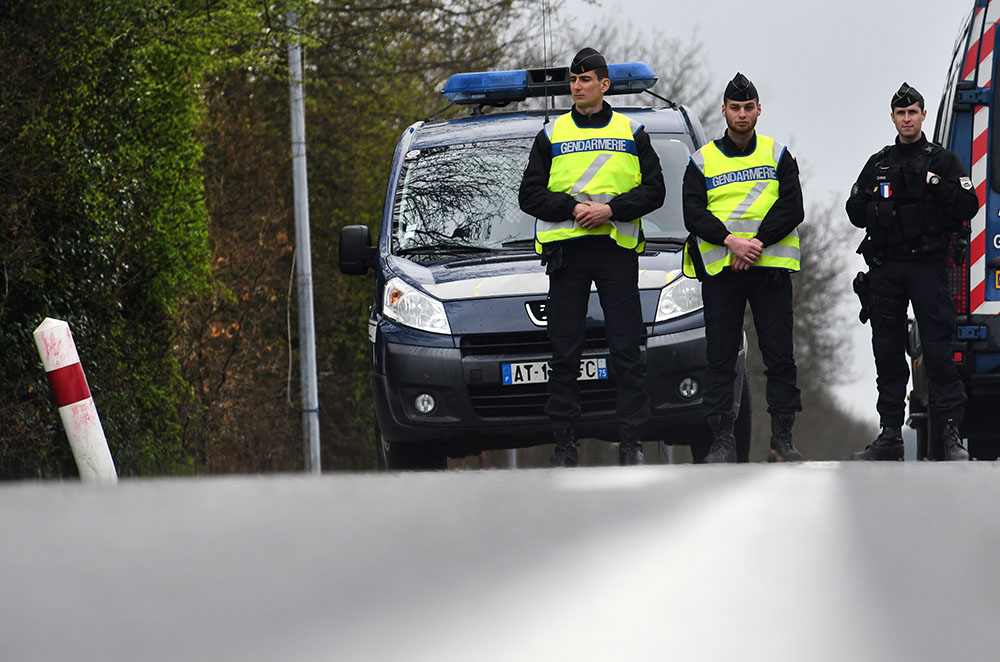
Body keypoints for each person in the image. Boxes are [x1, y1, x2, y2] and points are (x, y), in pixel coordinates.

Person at [518, 47, 665, 467]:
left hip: (615, 251)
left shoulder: (633, 132)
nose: (577, 86)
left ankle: (632, 442)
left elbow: (655, 191)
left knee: (626, 350)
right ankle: (565, 444)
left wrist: (610, 210)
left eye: (585, 80)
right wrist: (572, 208)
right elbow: (529, 195)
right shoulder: (551, 134)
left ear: (604, 85)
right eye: (573, 79)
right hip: (568, 254)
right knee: (564, 352)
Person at [846, 83, 979, 461]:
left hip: (927, 266)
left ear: (923, 115)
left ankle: (951, 436)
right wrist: (876, 204)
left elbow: (968, 205)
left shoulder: (942, 161)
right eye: (901, 113)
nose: (907, 119)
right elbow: (854, 212)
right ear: (893, 117)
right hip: (887, 267)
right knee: (887, 353)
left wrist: (935, 183)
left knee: (938, 352)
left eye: (913, 112)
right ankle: (890, 434)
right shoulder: (879, 163)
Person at [682, 72, 805, 463]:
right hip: (723, 272)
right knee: (720, 358)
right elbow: (693, 213)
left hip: (769, 270)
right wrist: (731, 241)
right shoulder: (702, 160)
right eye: (735, 107)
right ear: (723, 111)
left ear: (758, 110)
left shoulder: (777, 154)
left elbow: (792, 207)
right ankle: (722, 440)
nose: (741, 114)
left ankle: (782, 439)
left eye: (748, 107)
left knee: (779, 357)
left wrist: (756, 242)